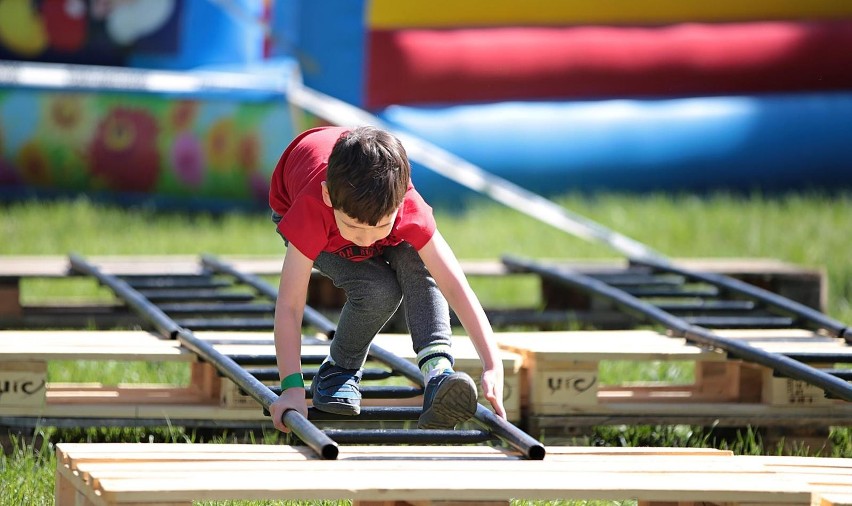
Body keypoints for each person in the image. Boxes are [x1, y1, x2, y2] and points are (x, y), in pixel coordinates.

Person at [267, 125, 506, 433]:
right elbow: (289, 306)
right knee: (378, 290)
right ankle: (339, 370)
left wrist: (491, 362)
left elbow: (455, 286)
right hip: (308, 216)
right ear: (328, 195)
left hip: (357, 211)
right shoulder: (313, 207)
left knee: (418, 258)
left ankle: (438, 372)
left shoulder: (407, 206)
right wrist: (292, 388)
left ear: (400, 202)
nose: (365, 242)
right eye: (355, 229)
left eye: (378, 227)